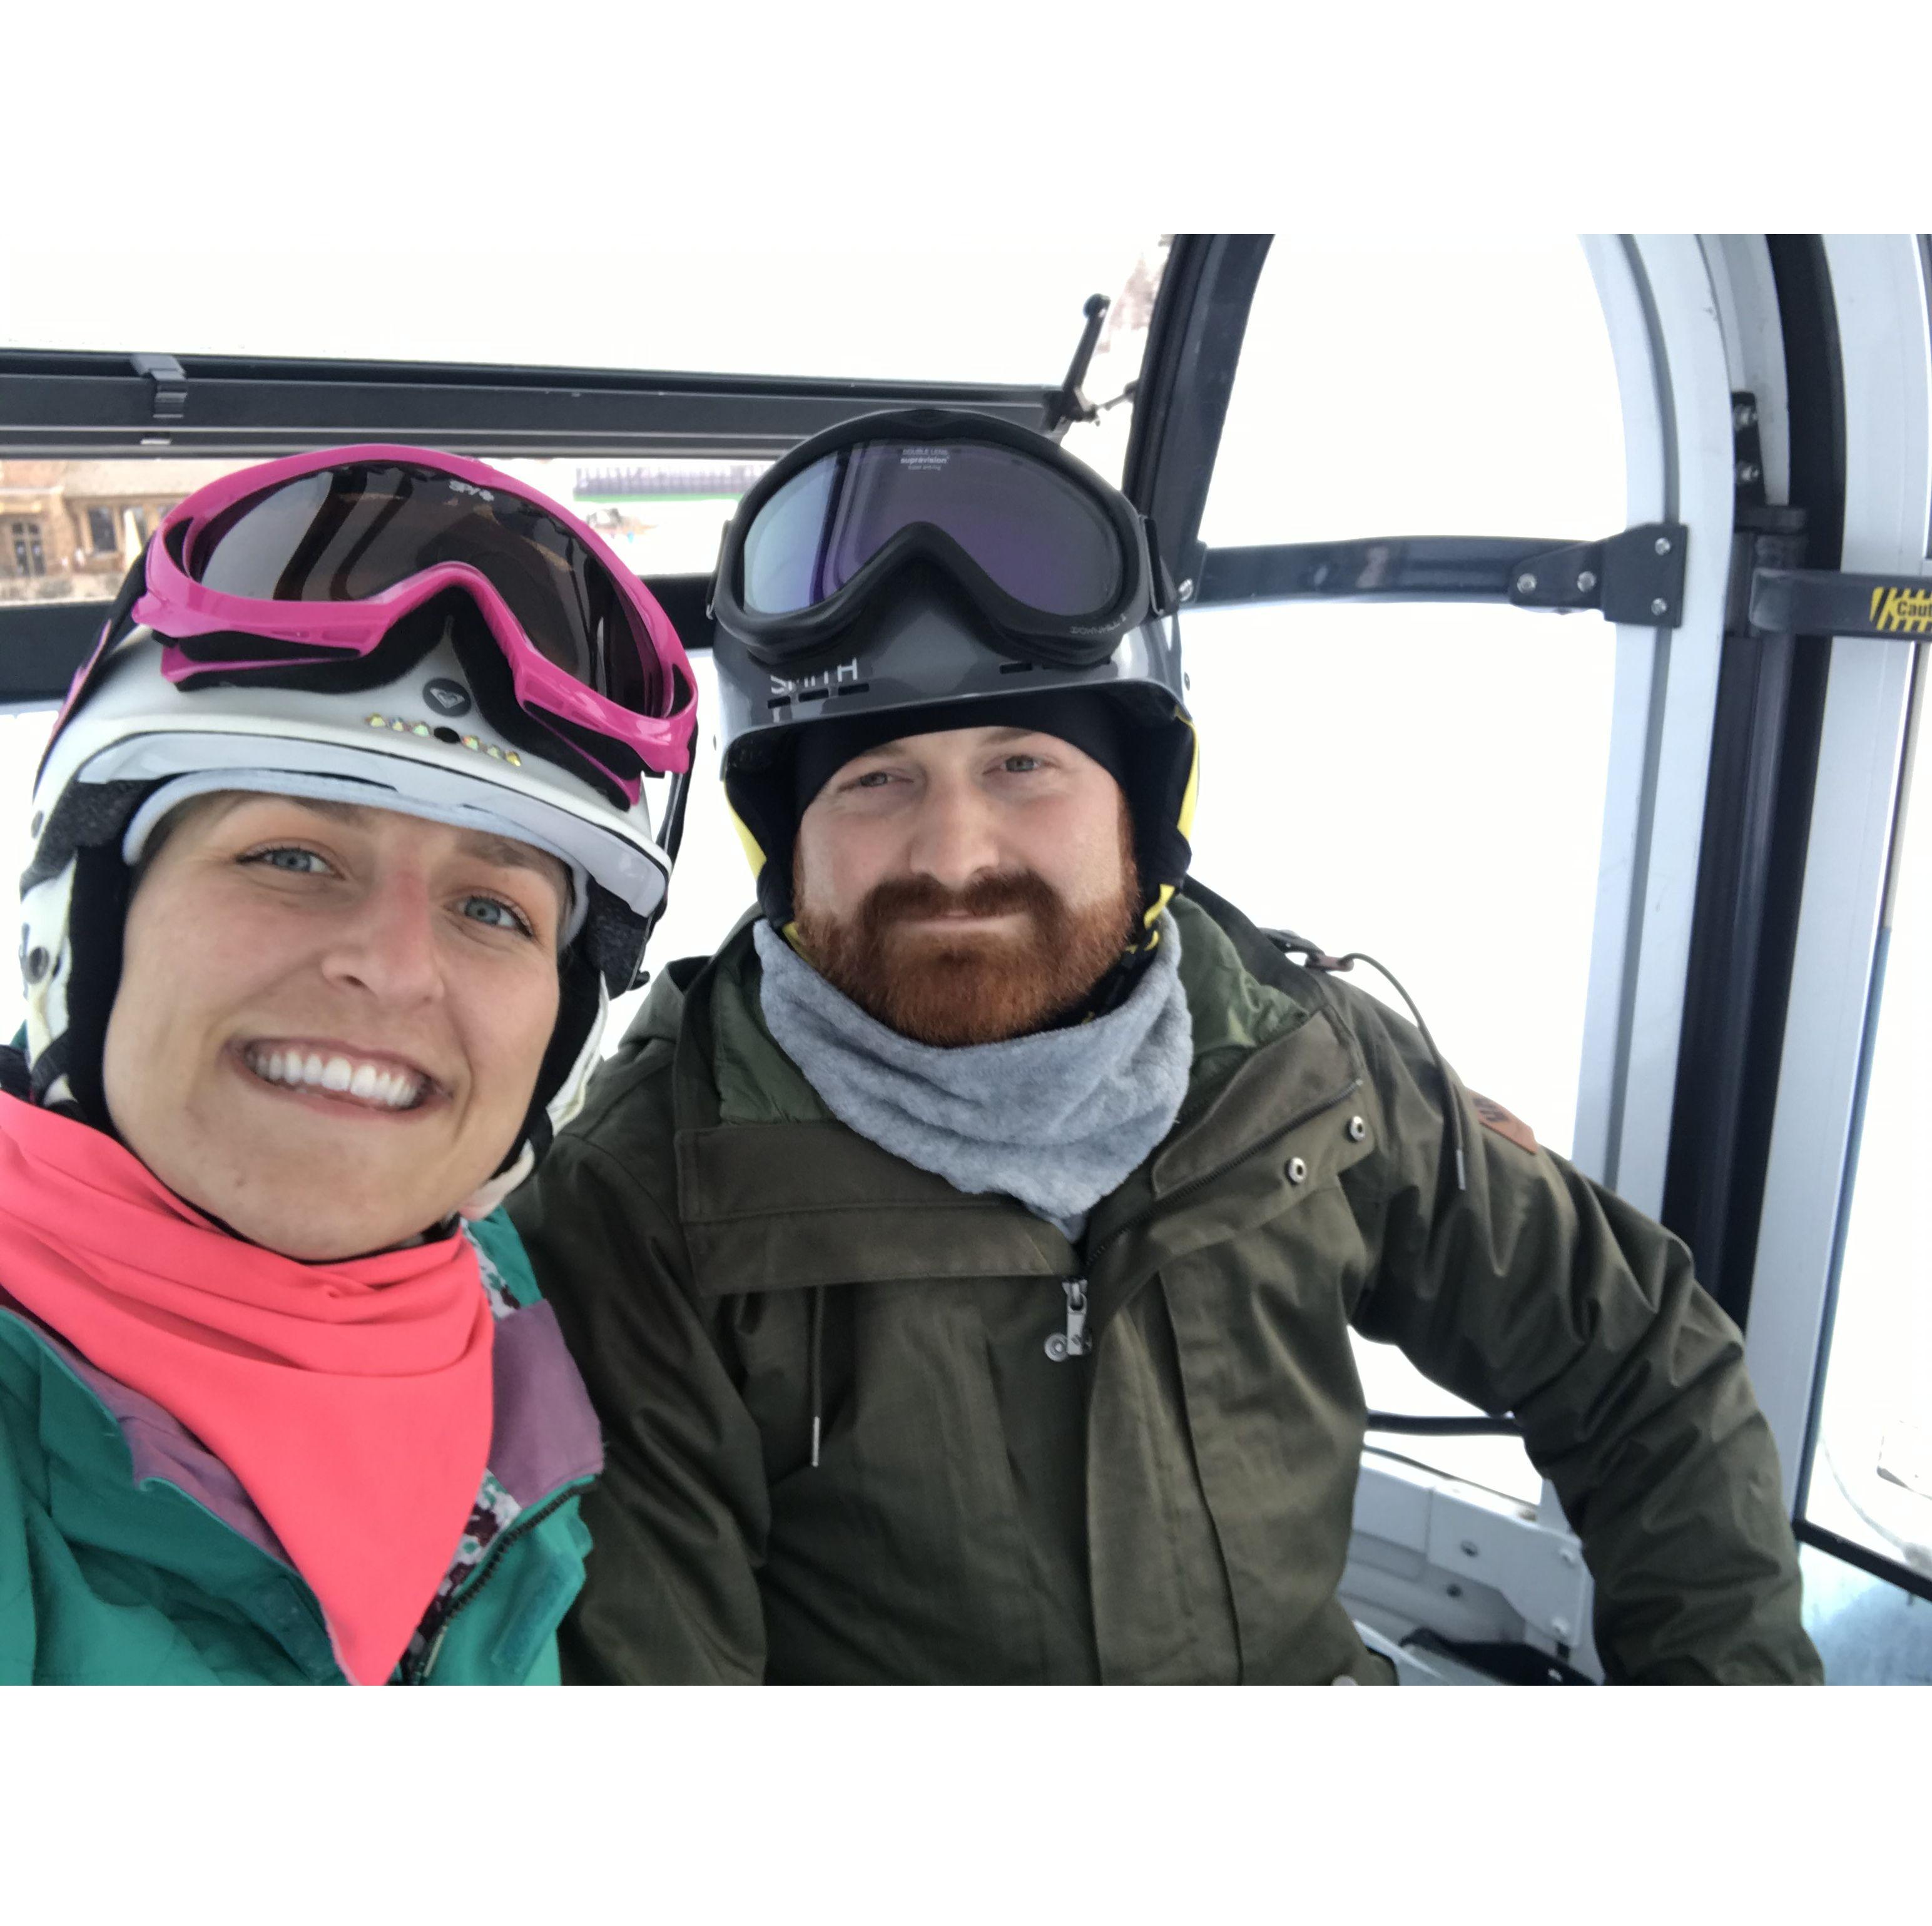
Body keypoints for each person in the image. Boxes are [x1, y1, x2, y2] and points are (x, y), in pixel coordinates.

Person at [511, 407, 1823, 1684]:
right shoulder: (650, 1204)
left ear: (1139, 812)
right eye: (873, 780)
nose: (954, 851)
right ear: (780, 841)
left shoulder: (1291, 1060)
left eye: (1023, 763)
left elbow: (1635, 1357)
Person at [1, 446, 696, 1684]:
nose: (391, 965)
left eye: (494, 909)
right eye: (292, 856)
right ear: (86, 926)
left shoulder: (509, 1342)